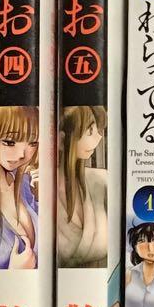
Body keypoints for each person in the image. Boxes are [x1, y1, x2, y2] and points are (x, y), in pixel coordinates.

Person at [0, 106, 39, 270]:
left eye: (32, 143)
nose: (21, 154)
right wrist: (13, 273)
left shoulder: (24, 183)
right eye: (9, 142)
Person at [57, 105, 107, 268]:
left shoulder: (102, 180)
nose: (99, 138)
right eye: (90, 131)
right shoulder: (39, 189)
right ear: (61, 140)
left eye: (97, 130)